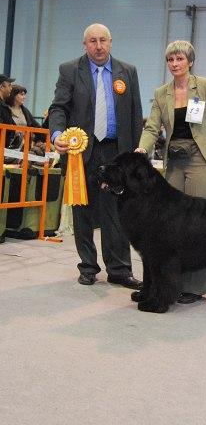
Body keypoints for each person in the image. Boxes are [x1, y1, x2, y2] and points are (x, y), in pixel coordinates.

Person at [49, 23, 143, 288]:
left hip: (117, 152)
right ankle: (88, 266)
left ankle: (120, 270)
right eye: (92, 41)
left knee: (118, 213)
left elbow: (136, 114)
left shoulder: (128, 71)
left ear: (111, 42)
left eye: (103, 40)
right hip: (82, 152)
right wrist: (57, 136)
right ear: (85, 44)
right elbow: (58, 108)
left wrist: (135, 154)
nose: (98, 46)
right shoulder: (69, 70)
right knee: (83, 212)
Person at [136, 39, 206, 304]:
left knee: (199, 223)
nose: (175, 64)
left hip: (200, 159)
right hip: (173, 159)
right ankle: (169, 284)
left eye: (180, 59)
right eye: (171, 60)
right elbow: (152, 127)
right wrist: (143, 149)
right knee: (170, 225)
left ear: (190, 62)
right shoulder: (160, 93)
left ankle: (194, 288)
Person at [5, 83, 45, 152]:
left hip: (24, 148)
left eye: (24, 95)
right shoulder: (5, 109)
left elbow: (37, 127)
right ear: (14, 95)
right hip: (8, 147)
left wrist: (42, 139)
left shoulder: (25, 111)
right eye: (22, 94)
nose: (24, 97)